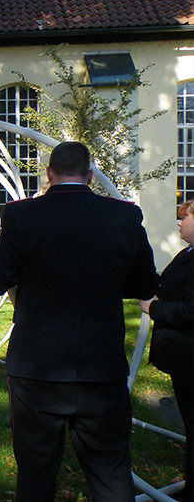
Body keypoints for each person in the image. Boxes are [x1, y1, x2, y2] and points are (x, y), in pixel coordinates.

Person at [0, 141, 158, 501]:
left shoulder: (24, 216)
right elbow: (144, 284)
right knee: (110, 473)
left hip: (36, 369)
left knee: (36, 471)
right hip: (101, 366)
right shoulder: (123, 216)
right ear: (90, 175)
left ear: (48, 174)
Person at [139, 199, 193, 502]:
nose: (179, 223)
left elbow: (191, 310)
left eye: (185, 218)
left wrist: (155, 307)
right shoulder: (187, 253)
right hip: (183, 357)